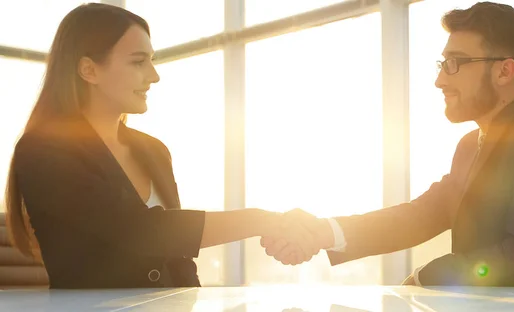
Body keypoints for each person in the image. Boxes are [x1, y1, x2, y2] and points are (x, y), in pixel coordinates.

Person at [261, 1, 514, 288]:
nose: (440, 80)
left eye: (455, 63)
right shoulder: (469, 145)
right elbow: (420, 216)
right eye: (442, 64)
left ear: (504, 71)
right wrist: (323, 231)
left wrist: (423, 276)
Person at [4, 3, 319, 289]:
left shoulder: (153, 150)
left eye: (151, 61)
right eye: (139, 62)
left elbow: (178, 258)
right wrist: (264, 220)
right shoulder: (43, 151)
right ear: (89, 70)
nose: (153, 76)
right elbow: (142, 232)